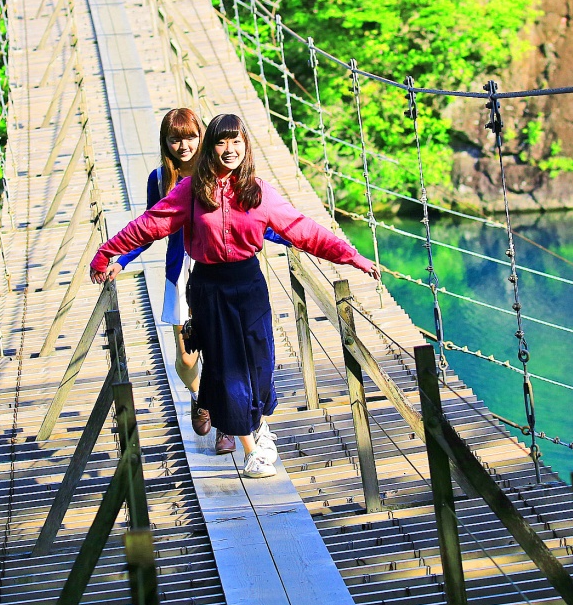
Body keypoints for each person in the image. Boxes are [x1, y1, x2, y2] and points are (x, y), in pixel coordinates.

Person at [92, 113, 378, 479]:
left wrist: (351, 256)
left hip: (249, 283)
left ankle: (255, 424)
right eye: (221, 143)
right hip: (210, 287)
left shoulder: (258, 191)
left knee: (261, 366)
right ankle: (252, 451)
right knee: (228, 371)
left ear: (246, 146)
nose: (229, 150)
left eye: (236, 142)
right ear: (211, 148)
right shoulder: (190, 190)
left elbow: (301, 228)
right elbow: (150, 224)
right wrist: (107, 253)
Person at [101, 108, 288, 455]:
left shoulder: (222, 168)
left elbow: (253, 216)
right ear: (165, 143)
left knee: (226, 358)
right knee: (188, 359)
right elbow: (149, 227)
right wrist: (121, 260)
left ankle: (224, 423)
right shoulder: (160, 179)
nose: (183, 145)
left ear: (201, 136)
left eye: (189, 137)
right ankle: (202, 398)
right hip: (181, 275)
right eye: (174, 139)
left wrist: (291, 237)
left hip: (220, 272)